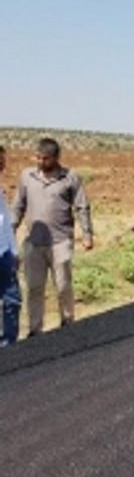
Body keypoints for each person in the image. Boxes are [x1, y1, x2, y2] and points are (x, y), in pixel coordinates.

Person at [12, 138, 94, 336]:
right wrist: (9, 230)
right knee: (34, 287)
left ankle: (67, 322)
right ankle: (35, 329)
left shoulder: (70, 178)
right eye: (37, 157)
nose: (40, 161)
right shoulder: (27, 177)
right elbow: (18, 207)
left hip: (61, 241)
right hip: (33, 242)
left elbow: (82, 207)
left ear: (56, 158)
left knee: (63, 285)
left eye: (45, 158)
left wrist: (87, 234)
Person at [0, 147, 22, 347]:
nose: (2, 165)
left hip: (4, 254)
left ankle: (9, 346)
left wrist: (14, 251)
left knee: (12, 300)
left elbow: (5, 224)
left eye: (2, 161)